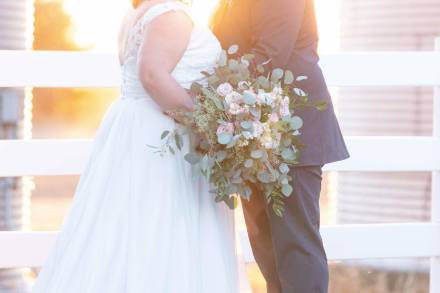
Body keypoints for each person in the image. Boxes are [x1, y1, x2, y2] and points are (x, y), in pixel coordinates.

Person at [31, 1, 238, 292]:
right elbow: (152, 76)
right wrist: (211, 123)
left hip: (139, 129)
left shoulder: (140, 13)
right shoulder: (169, 15)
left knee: (130, 228)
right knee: (156, 229)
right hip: (162, 138)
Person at [211, 0, 350, 292]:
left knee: (296, 251)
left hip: (291, 131)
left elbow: (269, 57)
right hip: (251, 133)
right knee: (268, 252)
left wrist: (206, 88)